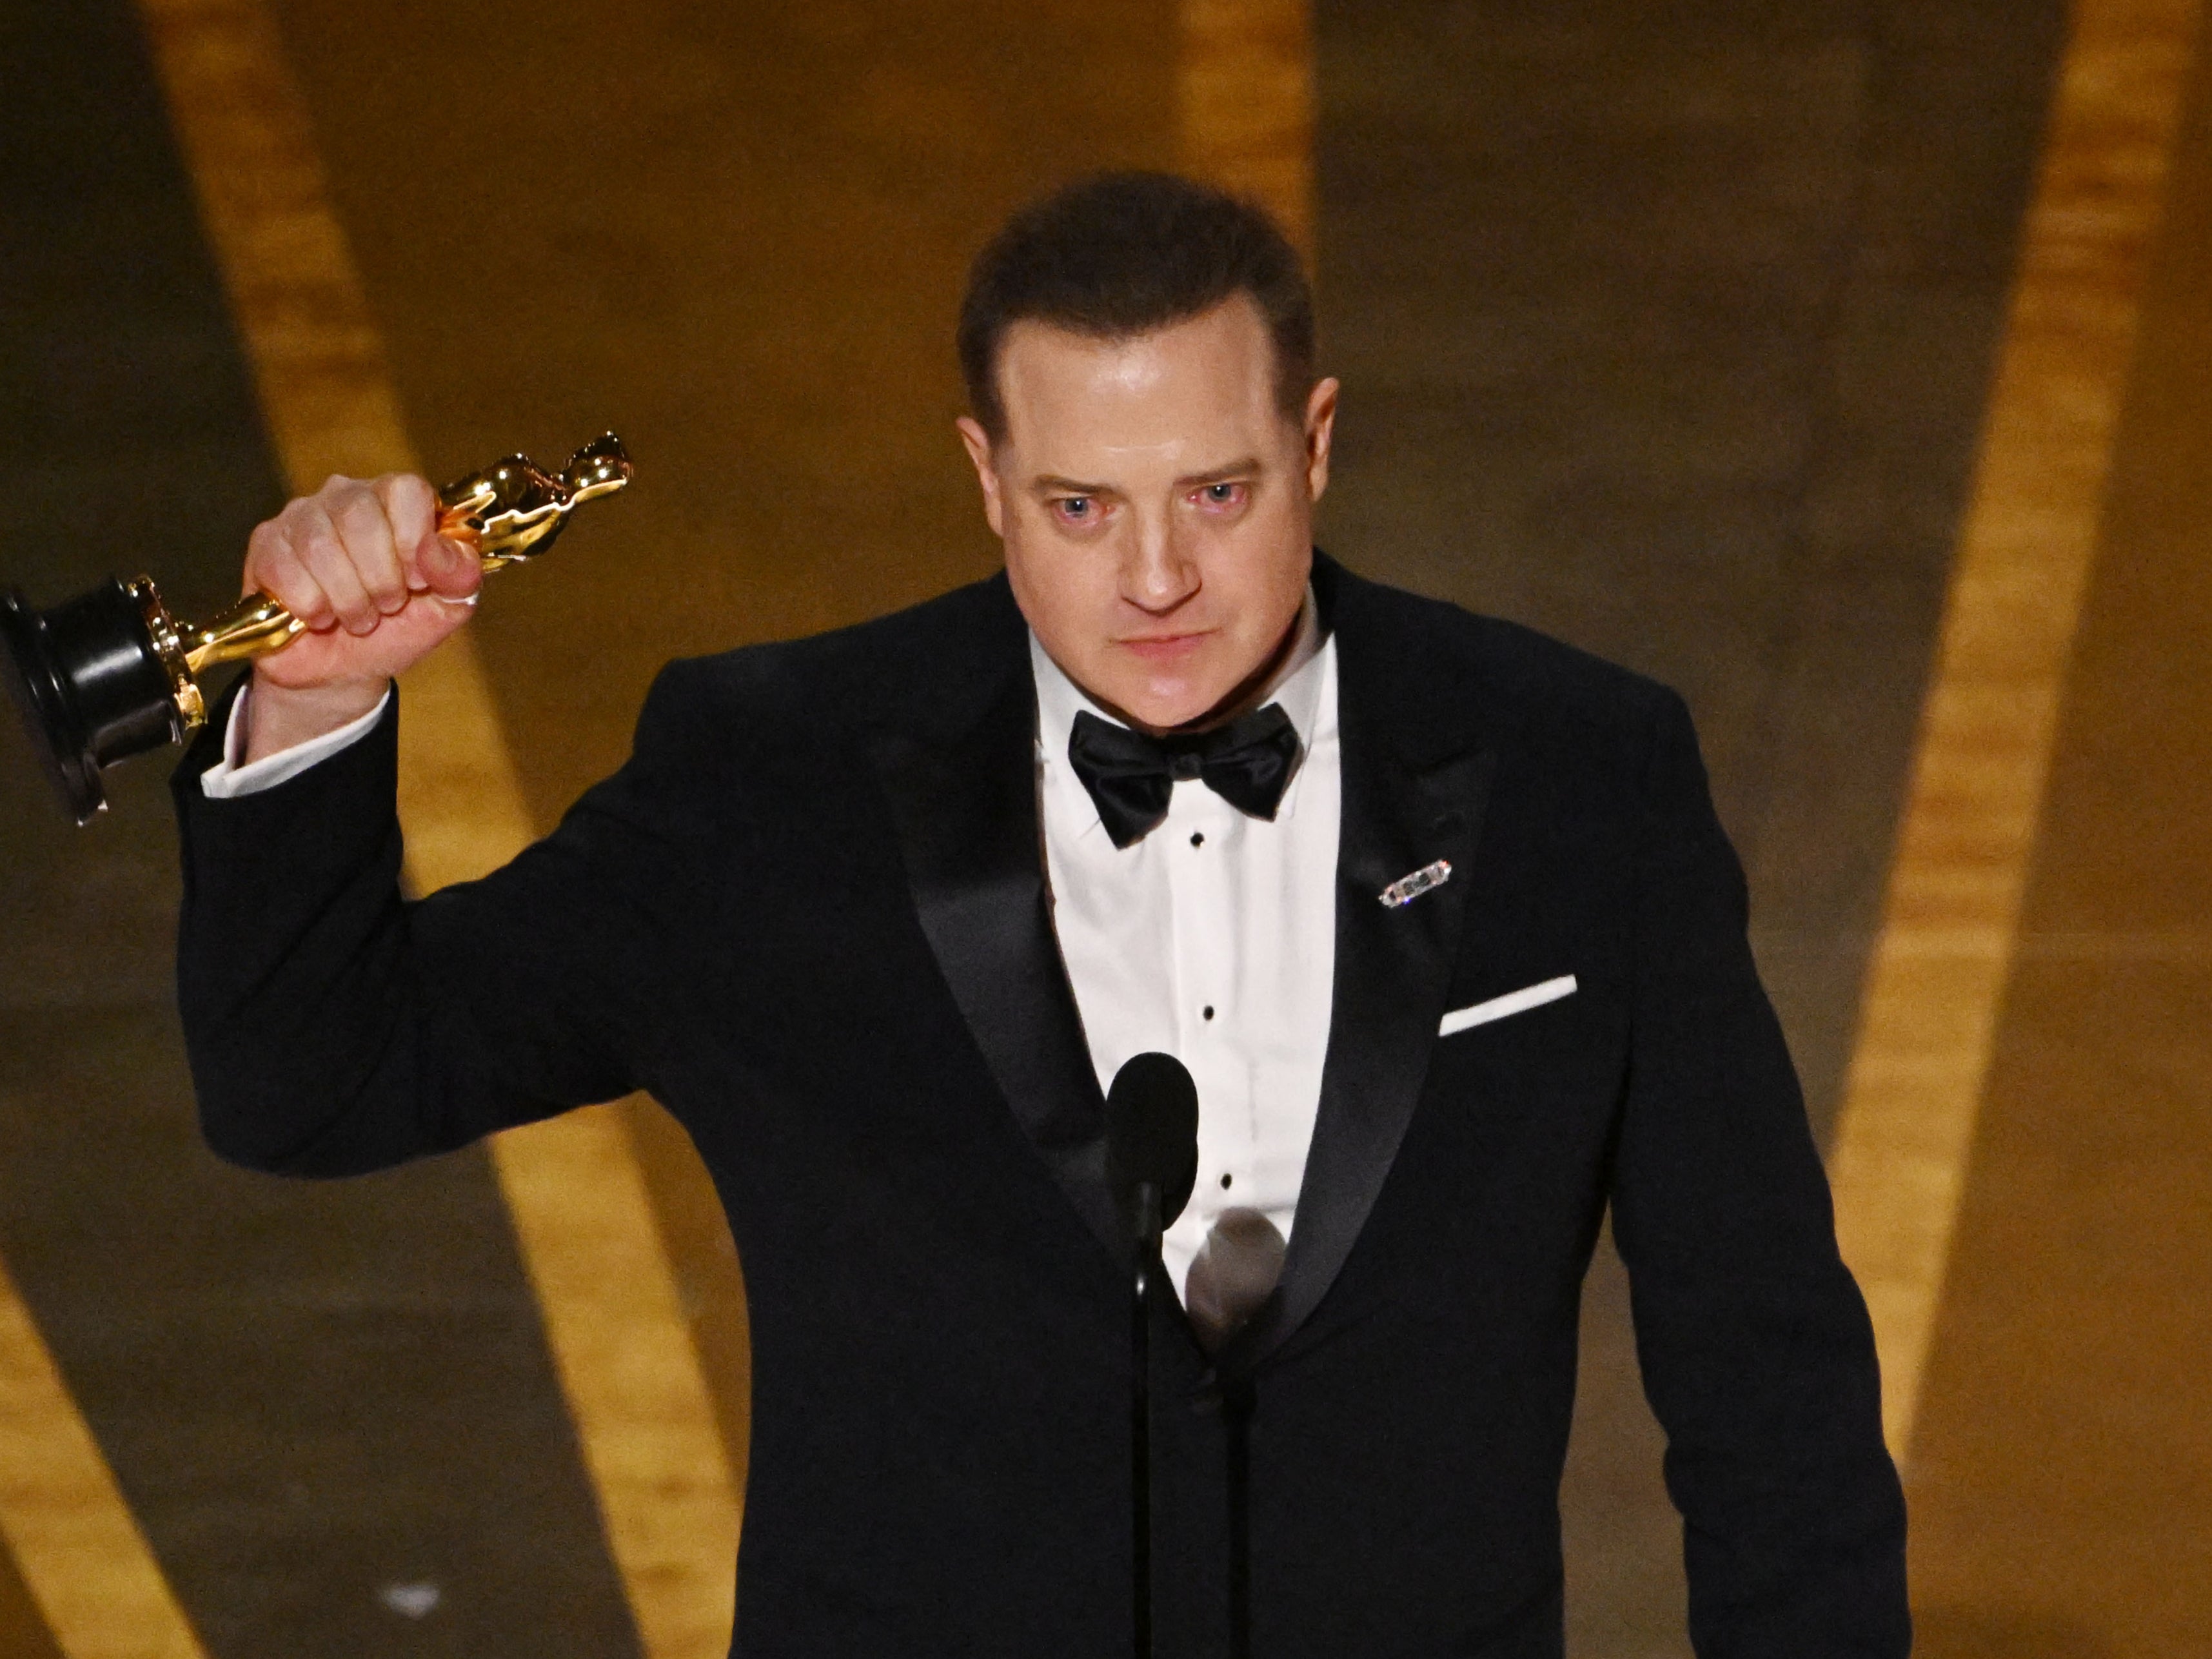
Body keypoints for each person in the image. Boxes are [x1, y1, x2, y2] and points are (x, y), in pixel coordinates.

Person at [173, 172, 1908, 1656]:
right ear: (986, 476)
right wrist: (313, 706)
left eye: (1215, 493)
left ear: (1315, 444)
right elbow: (314, 1086)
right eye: (1081, 506)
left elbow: (1767, 1378)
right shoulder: (770, 787)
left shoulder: (1579, 775)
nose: (1156, 579)